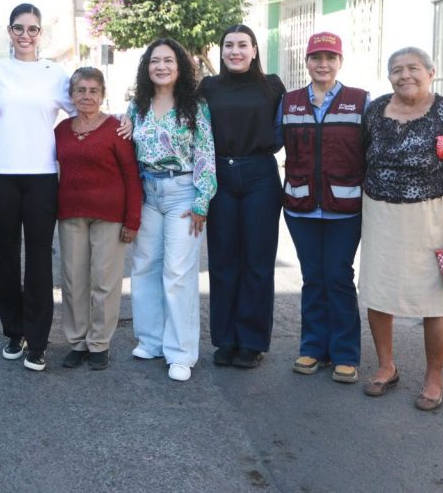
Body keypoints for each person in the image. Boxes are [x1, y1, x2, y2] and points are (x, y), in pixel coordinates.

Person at [359, 46, 443, 410]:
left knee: (434, 299)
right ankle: (386, 367)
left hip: (430, 214)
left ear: (431, 72)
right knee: (378, 292)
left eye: (413, 68)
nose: (405, 75)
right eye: (397, 69)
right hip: (379, 213)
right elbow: (363, 155)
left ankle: (434, 377)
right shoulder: (376, 110)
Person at [0, 3, 74, 372]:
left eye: (32, 29)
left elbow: (82, 107)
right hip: (0, 173)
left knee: (38, 259)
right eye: (19, 28)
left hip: (41, 176)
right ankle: (13, 332)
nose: (25, 35)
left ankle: (37, 339)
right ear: (9, 31)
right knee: (6, 256)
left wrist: (122, 122)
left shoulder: (55, 74)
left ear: (40, 34)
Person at [278, 32, 367, 383]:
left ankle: (345, 353)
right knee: (313, 278)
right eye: (316, 57)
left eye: (330, 57)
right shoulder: (289, 102)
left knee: (339, 277)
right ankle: (313, 347)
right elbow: (270, 139)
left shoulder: (361, 101)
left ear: (340, 61)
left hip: (345, 208)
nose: (323, 64)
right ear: (307, 62)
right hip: (300, 207)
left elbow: (374, 150)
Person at [128, 38, 216, 382]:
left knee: (178, 273)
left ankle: (180, 353)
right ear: (146, 68)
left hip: (183, 192)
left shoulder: (195, 106)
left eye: (167, 60)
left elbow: (206, 154)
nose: (161, 66)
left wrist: (201, 201)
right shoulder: (137, 107)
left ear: (180, 66)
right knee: (145, 266)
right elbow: (128, 146)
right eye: (154, 61)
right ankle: (150, 340)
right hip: (148, 193)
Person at [199, 25, 285, 370]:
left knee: (257, 262)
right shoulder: (207, 87)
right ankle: (225, 339)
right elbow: (176, 113)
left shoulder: (273, 86)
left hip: (260, 175)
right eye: (229, 45)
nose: (235, 51)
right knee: (222, 261)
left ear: (254, 51)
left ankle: (251, 341)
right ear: (221, 52)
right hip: (218, 174)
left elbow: (288, 127)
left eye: (242, 45)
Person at [54, 67, 141, 371]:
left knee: (104, 282)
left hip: (110, 216)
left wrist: (132, 220)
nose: (87, 96)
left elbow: (132, 176)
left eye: (93, 91)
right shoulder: (61, 131)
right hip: (70, 215)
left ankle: (99, 343)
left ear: (103, 95)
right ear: (72, 95)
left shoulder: (117, 129)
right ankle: (77, 342)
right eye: (80, 90)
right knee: (73, 280)